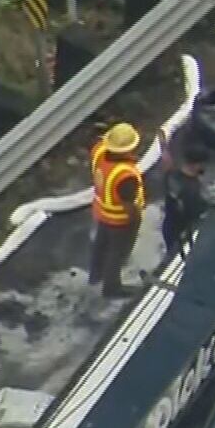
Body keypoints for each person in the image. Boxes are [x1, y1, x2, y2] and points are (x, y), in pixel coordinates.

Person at [88, 123, 146, 298]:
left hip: (102, 211)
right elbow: (129, 206)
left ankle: (95, 275)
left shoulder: (99, 151)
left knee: (101, 244)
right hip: (120, 221)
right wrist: (136, 220)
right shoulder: (125, 176)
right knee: (117, 253)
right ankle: (111, 288)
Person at [159, 136, 212, 256]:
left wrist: (163, 143)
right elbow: (198, 213)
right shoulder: (191, 189)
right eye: (203, 164)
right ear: (196, 164)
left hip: (169, 227)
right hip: (183, 235)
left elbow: (166, 159)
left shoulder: (172, 175)